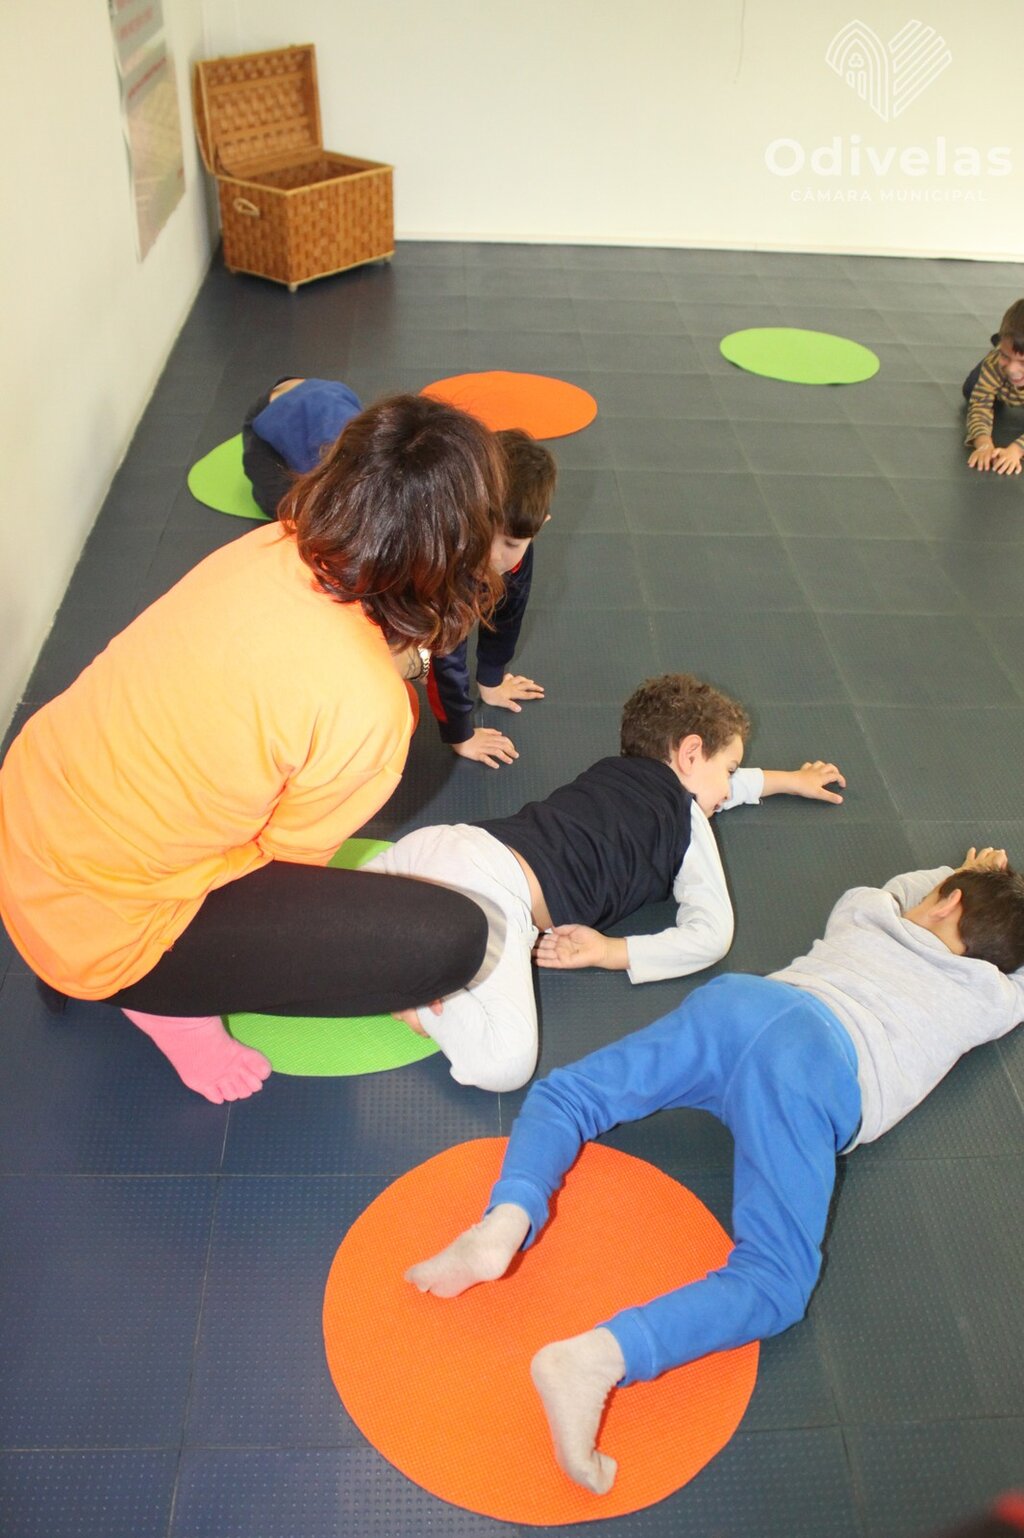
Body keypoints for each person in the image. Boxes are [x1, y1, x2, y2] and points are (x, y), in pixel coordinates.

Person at [406, 847, 1024, 1496]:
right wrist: (994, 913)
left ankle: (503, 1224)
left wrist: (966, 873)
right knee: (776, 1281)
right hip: (813, 1073)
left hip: (745, 1006)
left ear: (946, 899)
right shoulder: (985, 996)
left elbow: (909, 887)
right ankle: (595, 1358)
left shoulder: (869, 912)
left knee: (568, 1097)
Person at [0, 395, 506, 1105]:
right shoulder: (369, 708)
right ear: (453, 552)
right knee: (456, 940)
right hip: (106, 921)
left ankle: (74, 952)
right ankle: (155, 1002)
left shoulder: (275, 546)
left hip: (28, 814)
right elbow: (288, 867)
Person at [366, 673, 845, 1091]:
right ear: (690, 753)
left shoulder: (615, 772)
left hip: (445, 844)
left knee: (346, 911)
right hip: (492, 899)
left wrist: (788, 780)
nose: (727, 788)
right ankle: (422, 1004)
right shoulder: (687, 820)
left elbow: (715, 787)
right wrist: (610, 952)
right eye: (729, 769)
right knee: (506, 1063)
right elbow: (711, 935)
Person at [242, 376, 556, 768]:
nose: (494, 557)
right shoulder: (442, 543)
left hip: (328, 401)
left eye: (511, 543)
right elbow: (446, 652)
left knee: (350, 443)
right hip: (273, 426)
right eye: (487, 537)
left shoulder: (513, 538)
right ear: (470, 511)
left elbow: (508, 611)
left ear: (539, 527)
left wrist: (491, 679)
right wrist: (460, 734)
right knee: (303, 513)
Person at [963, 299, 1024, 475]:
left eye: (1022, 361)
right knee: (971, 389)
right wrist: (983, 442)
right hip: (1001, 380)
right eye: (1005, 356)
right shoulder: (995, 364)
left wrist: (1016, 450)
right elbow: (979, 405)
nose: (1012, 369)